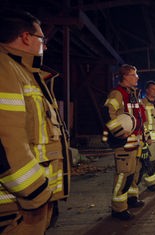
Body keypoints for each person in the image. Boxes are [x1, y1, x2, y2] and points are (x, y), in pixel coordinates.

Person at [0, 9, 70, 234]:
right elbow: (5, 138)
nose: (46, 46)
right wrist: (35, 190)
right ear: (25, 37)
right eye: (42, 39)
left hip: (32, 199)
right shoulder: (5, 69)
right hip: (20, 202)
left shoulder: (23, 71)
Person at [103, 64, 146, 220]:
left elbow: (139, 117)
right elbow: (108, 114)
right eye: (134, 75)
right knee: (123, 174)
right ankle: (118, 208)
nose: (137, 77)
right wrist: (120, 133)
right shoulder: (117, 94)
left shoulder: (132, 94)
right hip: (124, 143)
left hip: (135, 141)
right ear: (125, 77)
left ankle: (132, 198)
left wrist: (144, 136)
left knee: (134, 172)